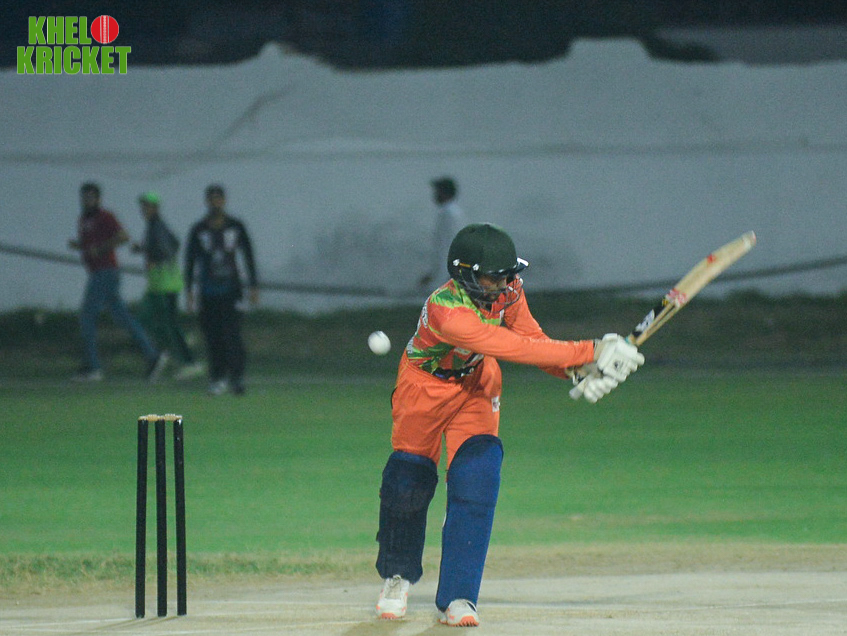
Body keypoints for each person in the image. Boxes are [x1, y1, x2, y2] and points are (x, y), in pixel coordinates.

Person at [374, 223, 644, 626]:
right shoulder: (447, 310)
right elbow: (510, 346)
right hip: (424, 390)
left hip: (476, 385)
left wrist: (576, 370)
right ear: (466, 274)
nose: (504, 285)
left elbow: (532, 338)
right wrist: (592, 349)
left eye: (507, 276)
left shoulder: (508, 290)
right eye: (493, 278)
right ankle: (397, 577)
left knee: (477, 480)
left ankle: (459, 596)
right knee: (407, 484)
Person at [67, 182, 168, 382]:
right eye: (84, 198)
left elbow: (123, 236)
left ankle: (92, 366)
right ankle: (152, 355)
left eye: (91, 197)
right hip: (96, 272)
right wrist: (80, 246)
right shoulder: (83, 219)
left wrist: (102, 249)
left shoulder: (105, 216)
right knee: (122, 316)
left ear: (98, 199)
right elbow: (90, 244)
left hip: (105, 272)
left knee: (87, 316)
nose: (87, 201)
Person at [184, 184, 259, 395]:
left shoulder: (235, 226)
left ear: (224, 201)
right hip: (208, 292)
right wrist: (189, 291)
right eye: (211, 199)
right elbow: (190, 261)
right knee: (213, 336)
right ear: (207, 201)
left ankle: (236, 377)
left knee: (232, 335)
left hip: (232, 290)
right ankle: (217, 377)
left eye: (218, 199)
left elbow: (248, 255)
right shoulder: (199, 229)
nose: (215, 203)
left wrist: (253, 285)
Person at [132, 192, 204, 380]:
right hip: (158, 283)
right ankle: (173, 346)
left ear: (155, 208)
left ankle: (188, 361)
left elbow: (169, 249)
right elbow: (173, 243)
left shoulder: (157, 227)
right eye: (143, 206)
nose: (143, 210)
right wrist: (144, 249)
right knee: (150, 320)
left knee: (159, 322)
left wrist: (154, 259)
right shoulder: (154, 227)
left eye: (147, 206)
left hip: (166, 283)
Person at [418, 177, 467, 288]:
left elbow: (445, 245)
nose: (434, 195)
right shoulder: (453, 212)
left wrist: (436, 273)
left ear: (445, 193)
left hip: (447, 271)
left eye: (437, 191)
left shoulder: (447, 213)